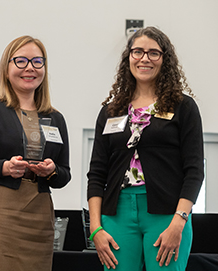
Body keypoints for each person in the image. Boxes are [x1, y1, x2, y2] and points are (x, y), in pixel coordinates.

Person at [87, 26, 204, 271]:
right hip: (116, 214)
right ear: (128, 57)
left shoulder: (184, 107)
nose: (144, 58)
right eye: (137, 51)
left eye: (153, 53)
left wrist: (178, 222)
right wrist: (95, 228)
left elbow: (194, 171)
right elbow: (97, 174)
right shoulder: (111, 111)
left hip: (167, 215)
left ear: (165, 59)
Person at [0, 35, 71, 271]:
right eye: (21, 61)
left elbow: (64, 174)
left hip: (40, 214)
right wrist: (3, 167)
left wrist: (51, 171)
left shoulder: (55, 118)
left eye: (37, 62)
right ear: (6, 67)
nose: (29, 68)